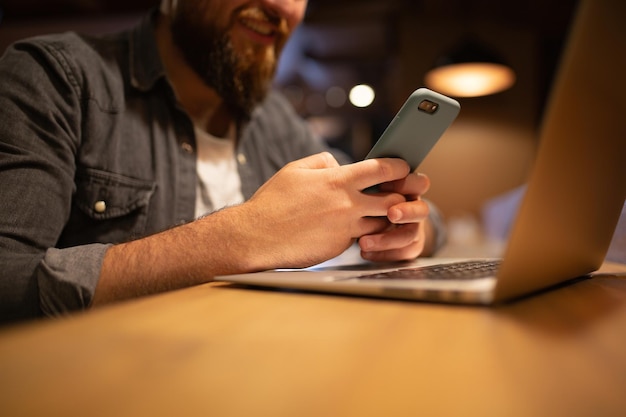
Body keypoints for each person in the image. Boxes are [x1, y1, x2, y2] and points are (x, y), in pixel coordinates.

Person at [0, 0, 446, 323]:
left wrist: (409, 228)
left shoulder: (274, 120)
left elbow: (414, 213)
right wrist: (243, 237)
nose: (282, 6)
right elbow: (8, 281)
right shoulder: (56, 78)